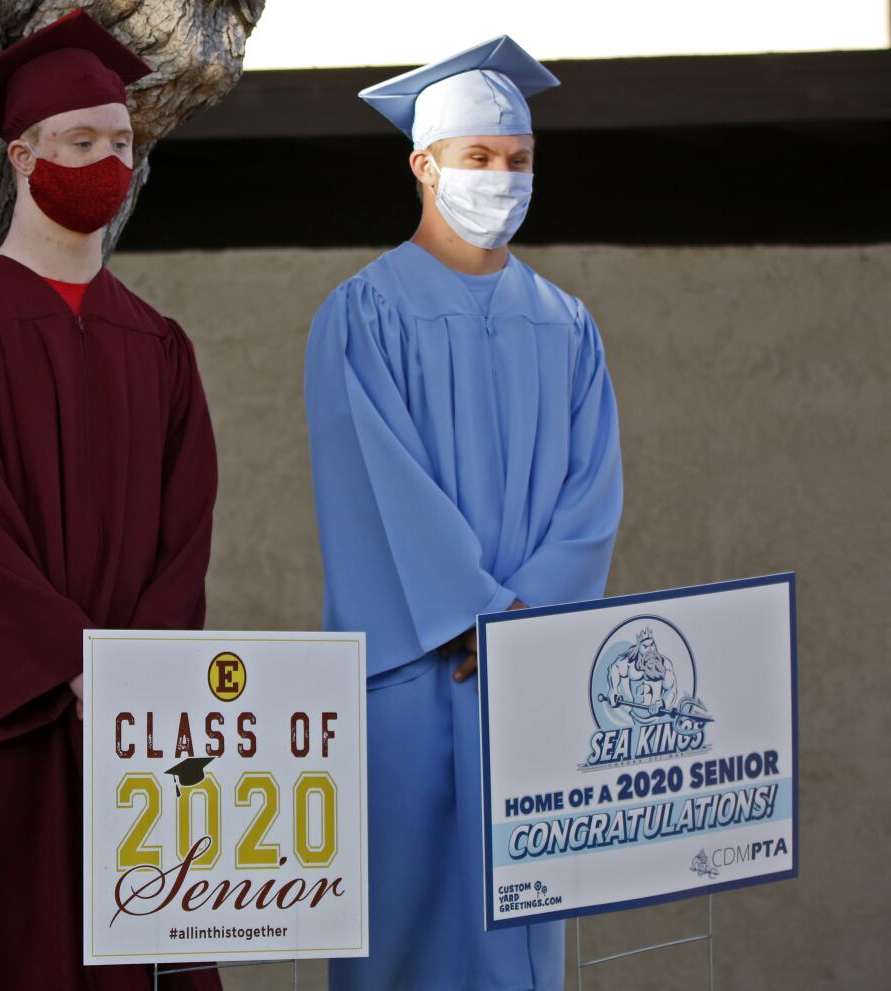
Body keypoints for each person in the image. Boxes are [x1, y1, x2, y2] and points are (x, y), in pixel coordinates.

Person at [0, 11, 219, 990]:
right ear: (22, 156)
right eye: (83, 143)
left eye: (120, 143)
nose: (107, 162)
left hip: (137, 723)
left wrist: (137, 673)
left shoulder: (157, 344)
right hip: (16, 722)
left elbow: (185, 531)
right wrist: (74, 669)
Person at [305, 36, 624, 991]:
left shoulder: (566, 324)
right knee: (399, 935)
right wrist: (478, 613)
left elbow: (592, 496)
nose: (501, 177)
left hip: (528, 679)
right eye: (479, 158)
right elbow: (374, 484)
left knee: (523, 932)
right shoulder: (361, 313)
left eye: (518, 160)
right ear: (424, 165)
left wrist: (529, 621)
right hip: (412, 675)